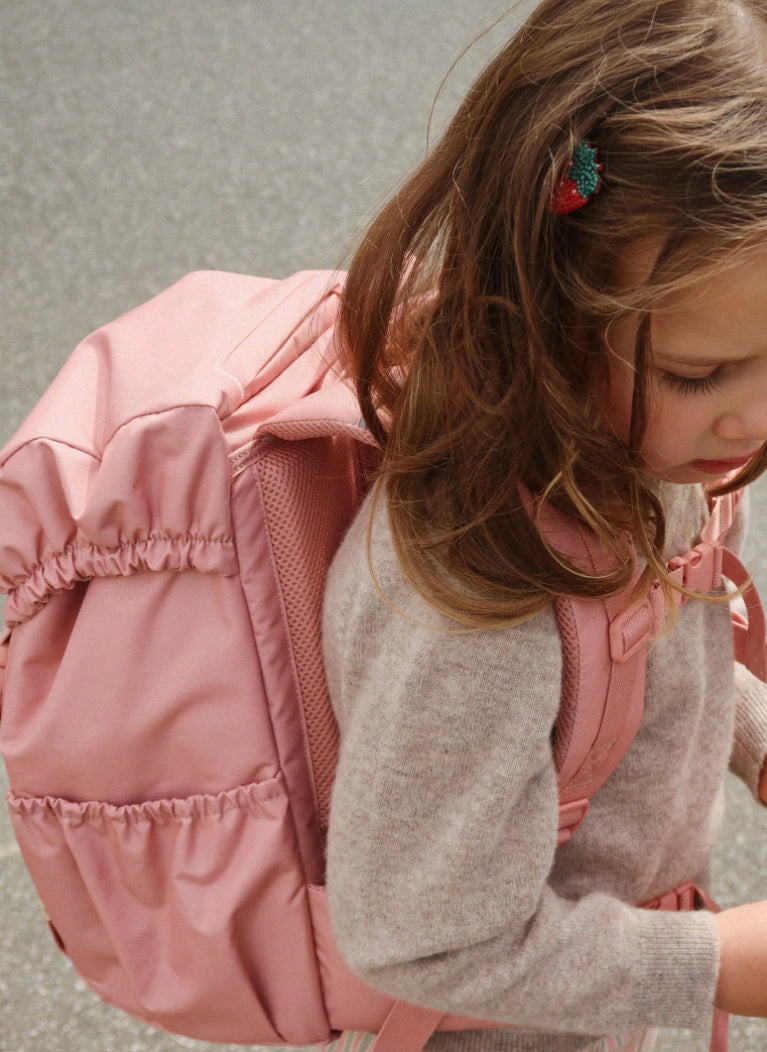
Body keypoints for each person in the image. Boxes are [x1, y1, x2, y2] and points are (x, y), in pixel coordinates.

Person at [321, 1, 767, 1049]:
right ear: (541, 307)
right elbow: (414, 938)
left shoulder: (647, 448)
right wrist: (711, 963)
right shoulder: (471, 609)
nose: (750, 419)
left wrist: (753, 737)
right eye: (695, 372)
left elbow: (657, 661)